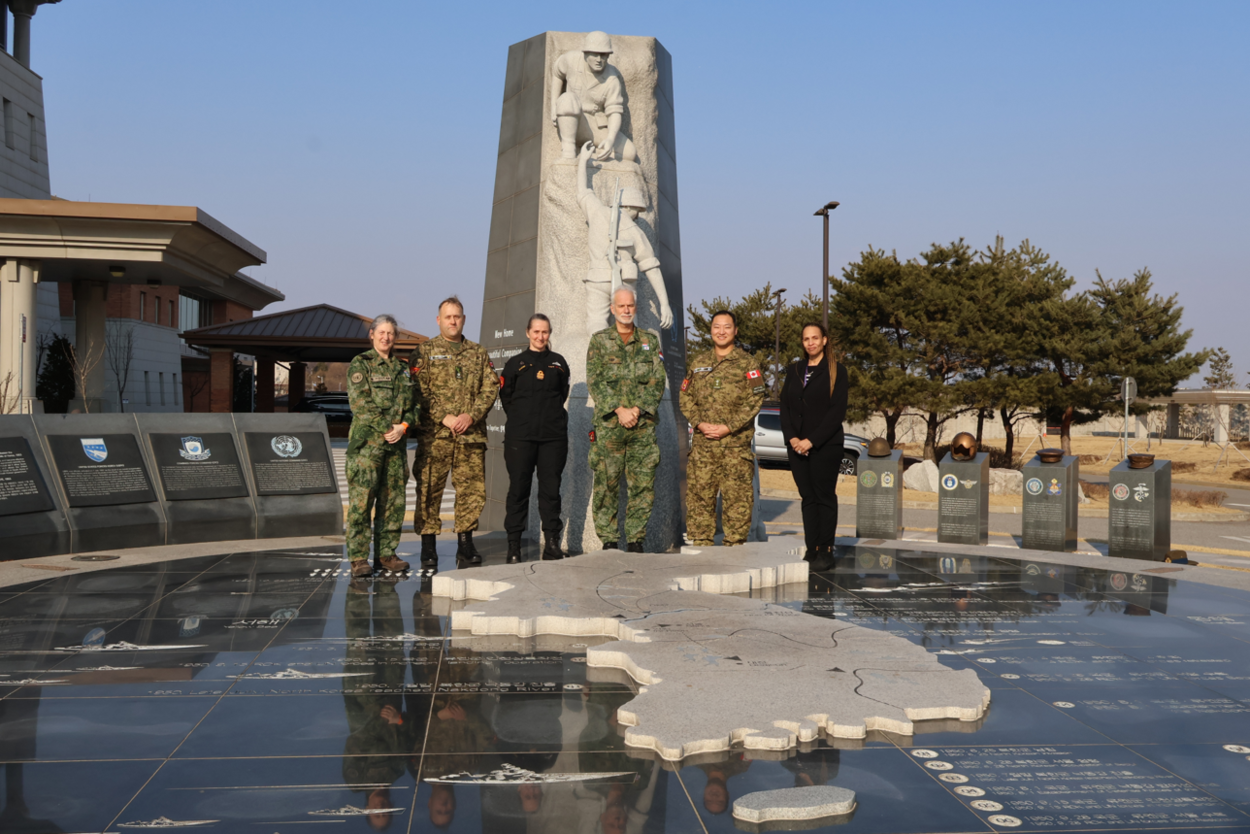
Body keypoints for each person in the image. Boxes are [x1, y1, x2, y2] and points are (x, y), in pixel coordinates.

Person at [410, 297, 499, 567]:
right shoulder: (423, 352)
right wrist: (445, 417)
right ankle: (428, 546)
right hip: (435, 436)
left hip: (469, 436)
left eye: (457, 316)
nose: (453, 321)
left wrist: (470, 416)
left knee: (471, 491)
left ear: (463, 318)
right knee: (429, 490)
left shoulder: (478, 352)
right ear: (439, 320)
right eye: (447, 316)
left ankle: (465, 544)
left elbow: (491, 386)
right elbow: (418, 390)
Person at [586, 287, 667, 552]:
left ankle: (635, 541)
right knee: (606, 484)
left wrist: (638, 410)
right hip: (610, 427)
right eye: (621, 306)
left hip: (642, 428)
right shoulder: (599, 341)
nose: (626, 310)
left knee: (642, 486)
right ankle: (609, 540)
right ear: (612, 309)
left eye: (630, 305)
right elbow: (594, 380)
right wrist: (619, 410)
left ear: (636, 307)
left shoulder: (649, 341)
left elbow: (658, 380)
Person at [680, 310, 766, 547]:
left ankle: (734, 552)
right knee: (699, 500)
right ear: (710, 330)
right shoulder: (698, 364)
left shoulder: (748, 363)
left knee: (737, 501)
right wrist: (698, 422)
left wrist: (729, 427)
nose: (721, 331)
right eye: (717, 326)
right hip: (703, 447)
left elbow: (756, 398)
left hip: (735, 448)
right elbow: (685, 397)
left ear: (735, 331)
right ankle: (701, 549)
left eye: (727, 327)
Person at [345, 314, 415, 577]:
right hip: (367, 449)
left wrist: (403, 426)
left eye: (391, 334)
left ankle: (386, 554)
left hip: (396, 448)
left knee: (393, 502)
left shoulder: (402, 368)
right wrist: (388, 428)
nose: (387, 337)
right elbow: (361, 404)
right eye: (382, 332)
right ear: (372, 334)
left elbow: (415, 405)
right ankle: (359, 558)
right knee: (362, 504)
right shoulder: (361, 364)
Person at [577, 142, 673, 335]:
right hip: (624, 282)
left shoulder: (597, 211)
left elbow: (583, 192)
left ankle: (600, 357)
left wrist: (582, 162)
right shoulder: (633, 229)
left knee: (596, 324)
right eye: (637, 212)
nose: (637, 216)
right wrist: (664, 304)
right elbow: (651, 266)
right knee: (629, 324)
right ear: (630, 208)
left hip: (597, 279)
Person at [500, 314, 571, 563]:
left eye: (545, 332)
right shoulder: (515, 364)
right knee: (519, 490)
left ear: (549, 333)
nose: (541, 337)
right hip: (521, 438)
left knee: (551, 491)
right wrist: (523, 420)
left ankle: (552, 543)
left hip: (552, 438)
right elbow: (506, 397)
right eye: (537, 332)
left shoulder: (558, 363)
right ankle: (514, 546)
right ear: (528, 332)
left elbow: (562, 394)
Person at [779, 322, 848, 570]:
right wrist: (793, 439)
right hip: (797, 446)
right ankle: (812, 547)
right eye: (806, 339)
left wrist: (812, 440)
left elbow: (836, 412)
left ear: (825, 340)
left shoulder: (836, 371)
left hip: (825, 445)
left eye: (815, 338)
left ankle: (826, 550)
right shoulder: (794, 370)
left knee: (824, 497)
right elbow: (785, 406)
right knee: (807, 497)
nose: (811, 343)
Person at [550, 30, 638, 162]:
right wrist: (553, 106)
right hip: (572, 120)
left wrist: (610, 139)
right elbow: (557, 73)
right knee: (567, 98)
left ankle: (592, 153)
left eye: (603, 55)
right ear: (585, 53)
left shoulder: (612, 78)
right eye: (595, 54)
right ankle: (568, 151)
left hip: (596, 125)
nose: (599, 60)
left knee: (630, 153)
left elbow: (614, 111)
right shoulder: (571, 60)